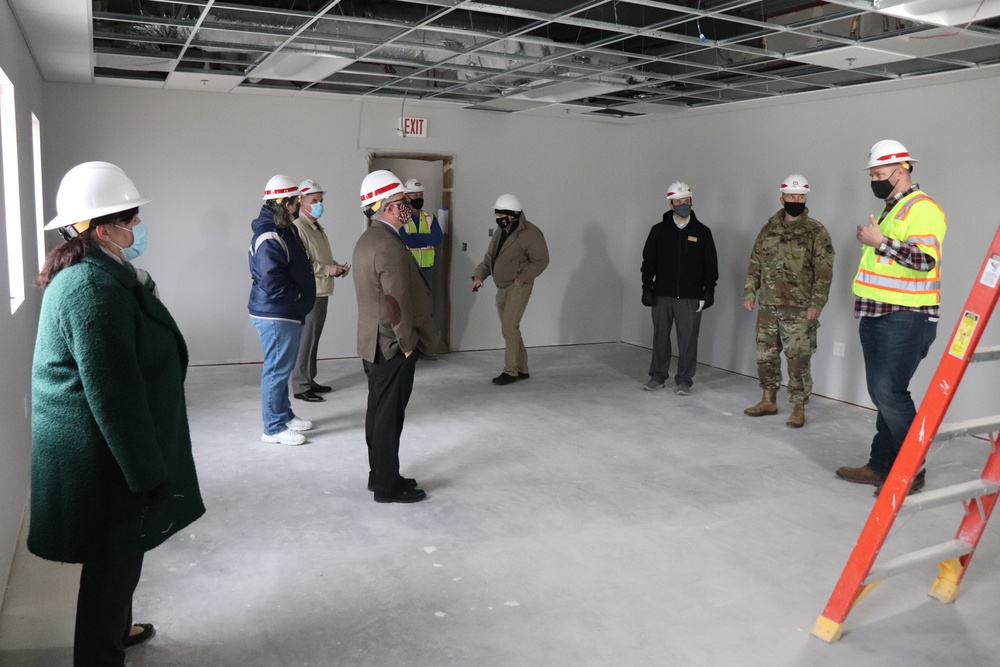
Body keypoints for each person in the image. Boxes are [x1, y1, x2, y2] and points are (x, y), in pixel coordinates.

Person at [29, 161, 205, 667]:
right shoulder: (89, 288)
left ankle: (117, 630)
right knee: (111, 569)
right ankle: (100, 654)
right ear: (103, 229)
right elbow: (114, 396)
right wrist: (146, 472)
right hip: (101, 460)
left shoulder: (104, 273)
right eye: (130, 220)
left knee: (122, 560)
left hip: (103, 453)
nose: (138, 228)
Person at [836, 140, 946, 495]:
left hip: (907, 317)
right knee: (883, 394)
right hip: (877, 314)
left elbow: (925, 260)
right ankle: (880, 465)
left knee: (889, 392)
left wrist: (878, 241)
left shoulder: (923, 208)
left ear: (901, 172)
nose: (874, 180)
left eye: (879, 174)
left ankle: (913, 469)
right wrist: (877, 239)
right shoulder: (890, 209)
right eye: (872, 174)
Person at [354, 170, 442, 503]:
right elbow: (396, 300)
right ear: (388, 206)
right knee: (389, 417)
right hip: (392, 345)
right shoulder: (387, 244)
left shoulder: (369, 239)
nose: (409, 208)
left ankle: (381, 474)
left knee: (378, 413)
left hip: (373, 341)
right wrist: (407, 344)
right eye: (404, 202)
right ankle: (386, 487)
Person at [743, 174, 835, 428]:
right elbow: (755, 263)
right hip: (768, 306)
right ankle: (768, 399)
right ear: (782, 198)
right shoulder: (768, 229)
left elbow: (824, 271)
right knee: (765, 357)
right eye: (791, 196)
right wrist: (750, 292)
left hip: (799, 308)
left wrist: (817, 303)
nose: (796, 200)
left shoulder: (816, 231)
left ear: (805, 198)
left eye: (801, 197)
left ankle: (798, 407)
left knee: (798, 360)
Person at [248, 175, 317, 445]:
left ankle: (284, 414)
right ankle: (273, 427)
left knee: (282, 367)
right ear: (286, 204)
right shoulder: (269, 234)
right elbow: (271, 279)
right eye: (296, 202)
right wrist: (297, 296)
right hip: (276, 312)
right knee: (276, 369)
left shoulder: (281, 227)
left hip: (284, 310)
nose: (299, 206)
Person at [640, 181, 718, 395]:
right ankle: (657, 376)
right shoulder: (658, 231)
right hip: (662, 296)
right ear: (670, 204)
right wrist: (647, 288)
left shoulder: (702, 232)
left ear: (691, 202)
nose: (684, 205)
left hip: (690, 298)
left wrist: (708, 291)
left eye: (687, 201)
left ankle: (684, 380)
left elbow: (710, 265)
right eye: (679, 201)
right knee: (660, 338)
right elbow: (648, 263)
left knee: (688, 341)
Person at [472, 194, 550, 385]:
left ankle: (511, 371)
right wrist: (479, 276)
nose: (497, 217)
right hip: (502, 287)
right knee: (511, 329)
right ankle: (522, 369)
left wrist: (520, 278)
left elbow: (542, 261)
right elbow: (490, 258)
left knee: (509, 327)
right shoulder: (501, 231)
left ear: (513, 215)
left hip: (519, 287)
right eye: (496, 213)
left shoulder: (531, 233)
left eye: (500, 214)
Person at [290, 179, 350, 403]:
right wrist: (328, 269)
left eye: (320, 200)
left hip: (322, 290)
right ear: (301, 202)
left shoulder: (315, 226)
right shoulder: (299, 227)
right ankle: (300, 385)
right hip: (310, 293)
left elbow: (319, 257)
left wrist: (335, 266)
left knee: (314, 338)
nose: (318, 205)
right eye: (314, 201)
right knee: (306, 340)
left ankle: (309, 379)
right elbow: (303, 264)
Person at [398, 178, 444, 285]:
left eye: (420, 195)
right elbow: (408, 242)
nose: (419, 198)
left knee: (425, 299)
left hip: (427, 267)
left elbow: (437, 239)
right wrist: (427, 240)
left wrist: (414, 235)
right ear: (406, 197)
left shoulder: (430, 216)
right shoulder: (400, 218)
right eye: (415, 195)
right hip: (408, 267)